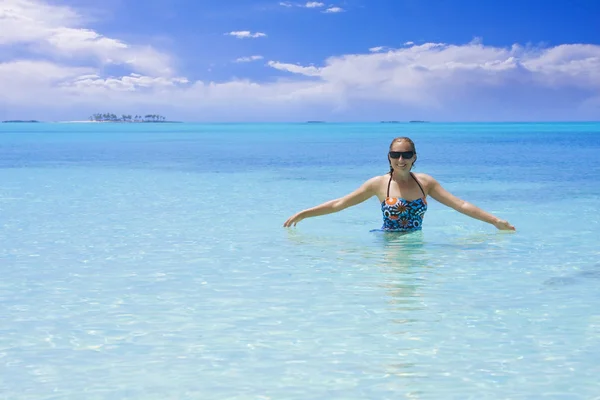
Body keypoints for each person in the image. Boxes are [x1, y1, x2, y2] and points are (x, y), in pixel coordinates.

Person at [283, 136, 515, 232]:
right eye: (395, 155)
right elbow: (339, 204)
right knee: (397, 292)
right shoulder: (378, 184)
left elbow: (460, 205)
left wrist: (495, 221)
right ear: (389, 157)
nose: (401, 160)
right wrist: (305, 213)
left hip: (417, 242)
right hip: (390, 244)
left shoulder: (426, 183)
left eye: (406, 155)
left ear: (414, 157)